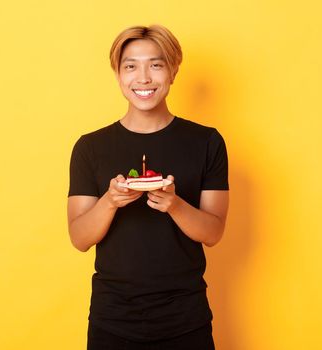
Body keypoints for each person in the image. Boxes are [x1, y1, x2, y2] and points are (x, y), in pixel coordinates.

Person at [67, 24, 229, 349]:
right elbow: (79, 238)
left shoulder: (207, 142)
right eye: (131, 66)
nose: (143, 78)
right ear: (118, 74)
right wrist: (110, 201)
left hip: (186, 317)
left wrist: (174, 204)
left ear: (172, 72)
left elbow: (213, 233)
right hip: (112, 318)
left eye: (156, 65)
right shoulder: (90, 147)